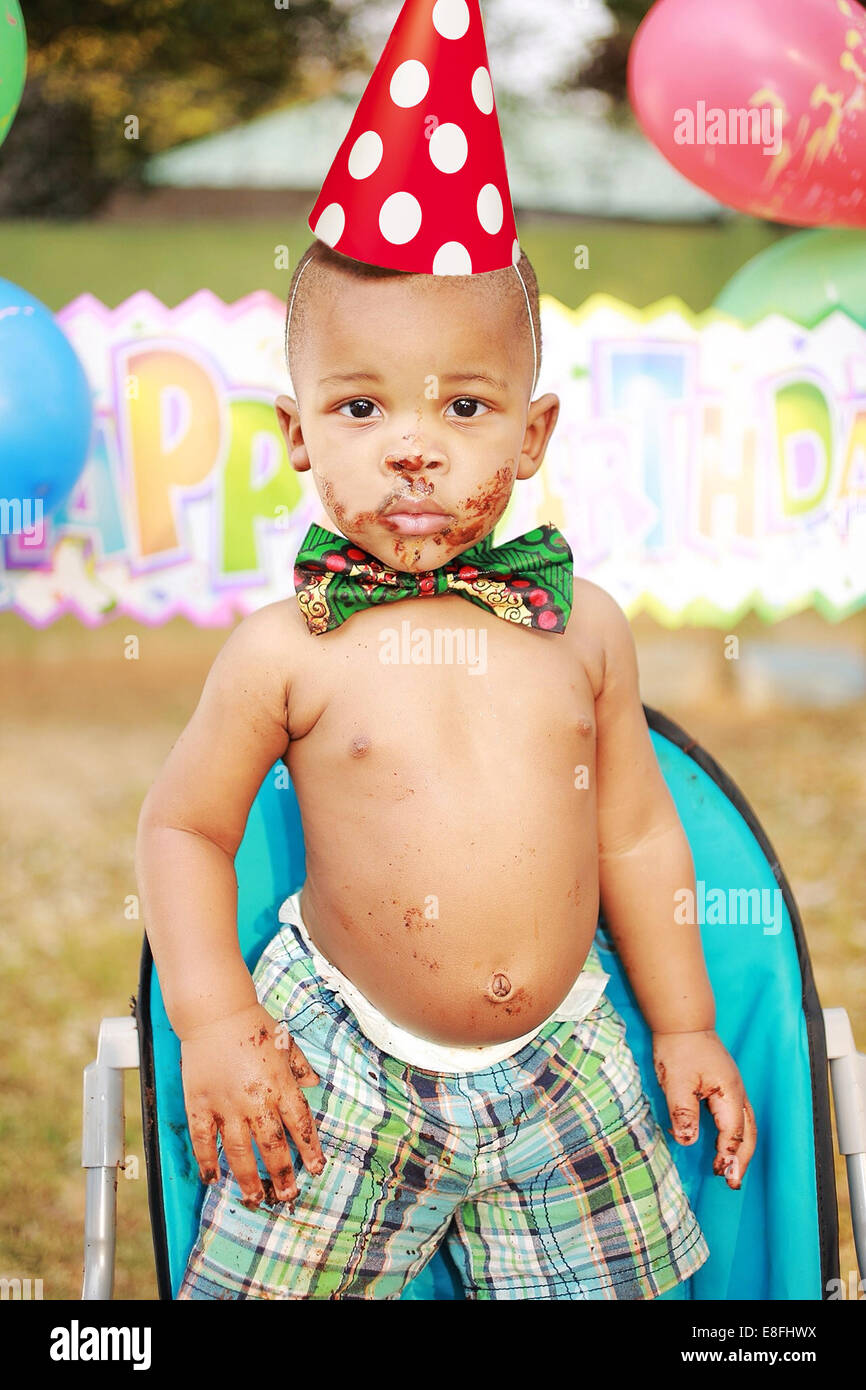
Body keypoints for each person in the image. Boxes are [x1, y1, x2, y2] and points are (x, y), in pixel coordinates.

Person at [134, 0, 756, 1300]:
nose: (412, 443)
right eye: (361, 406)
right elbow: (183, 829)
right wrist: (214, 1021)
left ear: (530, 436)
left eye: (462, 405)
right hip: (341, 1065)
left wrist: (685, 1020)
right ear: (299, 434)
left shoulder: (576, 625)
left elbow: (634, 832)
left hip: (565, 1062)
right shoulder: (284, 650)